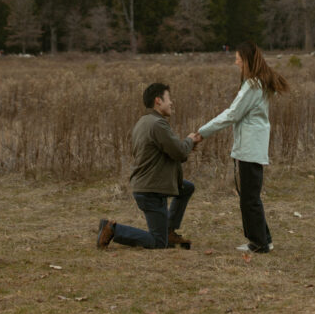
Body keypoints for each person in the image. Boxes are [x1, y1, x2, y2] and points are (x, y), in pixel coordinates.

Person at [196, 42, 289, 254]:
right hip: (251, 146)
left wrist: (202, 132)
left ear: (247, 60)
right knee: (250, 196)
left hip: (250, 148)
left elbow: (232, 114)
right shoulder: (257, 84)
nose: (236, 62)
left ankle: (259, 244)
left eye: (238, 59)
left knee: (249, 198)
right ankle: (263, 239)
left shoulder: (253, 86)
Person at [97, 81, 198, 250]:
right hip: (151, 190)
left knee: (186, 187)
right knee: (158, 242)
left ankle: (169, 231)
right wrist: (190, 140)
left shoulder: (143, 122)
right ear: (158, 100)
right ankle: (113, 229)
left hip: (148, 185)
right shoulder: (158, 124)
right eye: (168, 98)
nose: (171, 102)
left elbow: (168, 151)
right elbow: (179, 153)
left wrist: (187, 145)